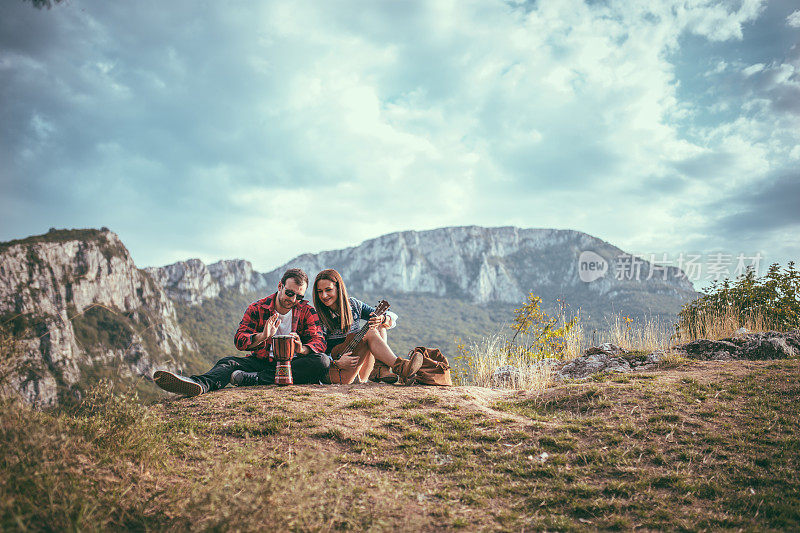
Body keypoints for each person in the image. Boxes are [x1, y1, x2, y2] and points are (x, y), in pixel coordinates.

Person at [153, 268, 328, 396]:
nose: (293, 300)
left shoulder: (306, 310)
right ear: (280, 286)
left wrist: (301, 349)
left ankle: (255, 379)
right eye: (290, 293)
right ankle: (198, 384)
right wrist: (262, 336)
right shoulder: (257, 308)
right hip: (261, 361)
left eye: (299, 296)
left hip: (291, 366)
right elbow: (239, 340)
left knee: (322, 361)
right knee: (228, 362)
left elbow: (320, 340)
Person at [313, 268, 422, 384]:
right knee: (371, 331)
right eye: (320, 291)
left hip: (359, 366)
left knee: (378, 323)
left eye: (328, 290)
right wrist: (336, 362)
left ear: (339, 289)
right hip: (335, 371)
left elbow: (389, 315)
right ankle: (401, 368)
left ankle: (382, 368)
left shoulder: (353, 305)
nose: (324, 295)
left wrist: (383, 318)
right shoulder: (317, 317)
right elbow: (316, 355)